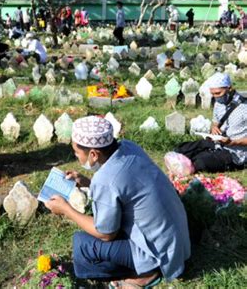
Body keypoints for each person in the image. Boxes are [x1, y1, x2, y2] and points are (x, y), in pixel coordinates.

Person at [45, 116, 190, 287]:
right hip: (177, 238)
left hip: (159, 252)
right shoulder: (129, 147)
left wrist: (66, 210)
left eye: (77, 152)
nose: (76, 156)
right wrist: (87, 182)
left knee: (82, 245)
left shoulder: (105, 180)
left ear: (93, 154)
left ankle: (146, 272)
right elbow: (123, 189)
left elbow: (106, 234)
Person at [175, 72, 247, 173]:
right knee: (182, 148)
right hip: (218, 143)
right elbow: (215, 123)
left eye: (218, 93)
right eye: (213, 94)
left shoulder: (244, 107)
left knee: (201, 162)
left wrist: (233, 142)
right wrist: (214, 128)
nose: (216, 97)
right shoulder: (219, 103)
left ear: (229, 88)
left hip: (236, 152)